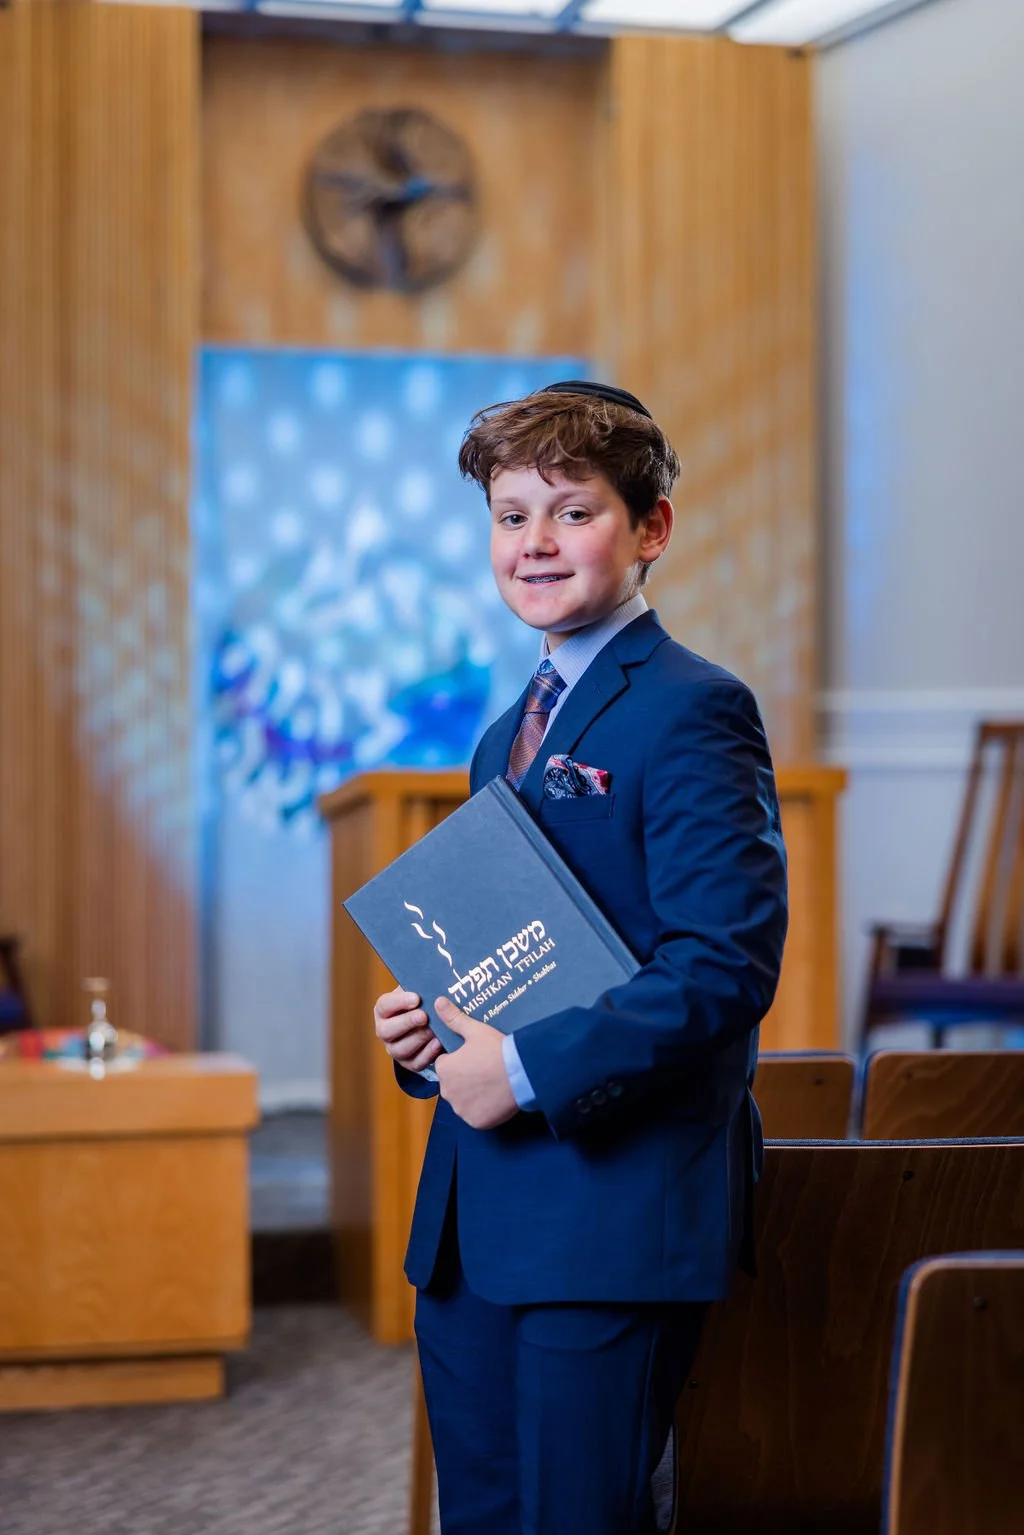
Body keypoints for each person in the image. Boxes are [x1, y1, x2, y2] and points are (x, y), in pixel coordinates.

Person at [373, 381, 788, 1535]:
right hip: (471, 1226)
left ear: (650, 528)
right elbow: (506, 954)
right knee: (486, 1517)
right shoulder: (500, 731)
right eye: (510, 517)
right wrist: (430, 1029)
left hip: (608, 1215)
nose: (535, 544)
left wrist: (523, 1069)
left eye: (570, 510)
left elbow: (723, 966)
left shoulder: (696, 708)